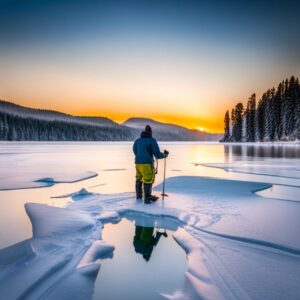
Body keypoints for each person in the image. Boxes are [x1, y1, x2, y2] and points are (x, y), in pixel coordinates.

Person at [133, 125, 169, 204]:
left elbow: (135, 151)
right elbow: (157, 155)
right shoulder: (152, 140)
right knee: (148, 179)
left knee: (138, 179)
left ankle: (139, 197)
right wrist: (165, 155)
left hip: (138, 163)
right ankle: (147, 198)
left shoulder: (137, 141)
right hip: (147, 163)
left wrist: (140, 156)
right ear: (150, 132)